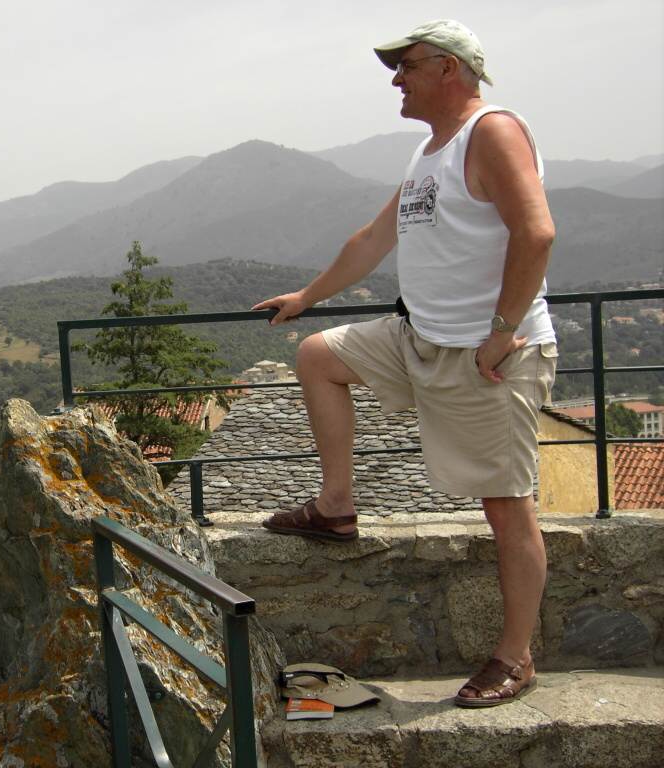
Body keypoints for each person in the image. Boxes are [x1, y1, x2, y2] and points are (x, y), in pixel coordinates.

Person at [252, 20, 557, 708]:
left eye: (407, 65)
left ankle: (515, 657)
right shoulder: (430, 150)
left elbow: (537, 232)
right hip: (419, 337)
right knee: (319, 356)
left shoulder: (492, 132)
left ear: (449, 68)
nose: (396, 79)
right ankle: (335, 508)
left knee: (507, 506)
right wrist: (306, 298)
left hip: (486, 354)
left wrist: (503, 331)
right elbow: (372, 239)